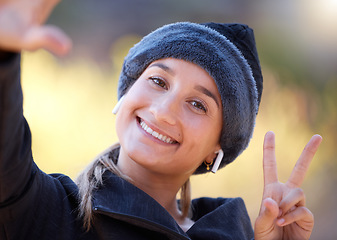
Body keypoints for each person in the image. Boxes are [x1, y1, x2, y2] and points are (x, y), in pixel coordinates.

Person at [0, 0, 322, 239]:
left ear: (216, 150)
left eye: (197, 104)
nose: (163, 110)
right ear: (126, 92)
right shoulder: (43, 211)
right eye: (158, 81)